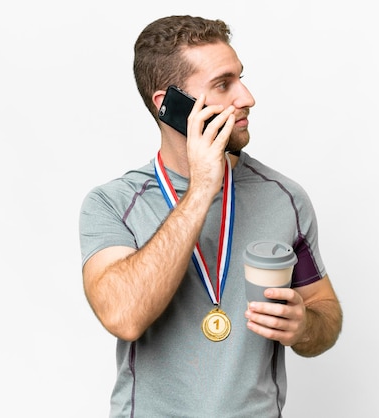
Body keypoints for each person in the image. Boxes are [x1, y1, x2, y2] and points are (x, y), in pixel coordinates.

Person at [79, 15, 342, 417]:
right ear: (169, 105)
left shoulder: (285, 198)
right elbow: (124, 316)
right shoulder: (113, 203)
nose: (247, 97)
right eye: (223, 84)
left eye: (240, 78)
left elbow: (325, 311)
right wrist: (203, 187)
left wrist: (305, 326)